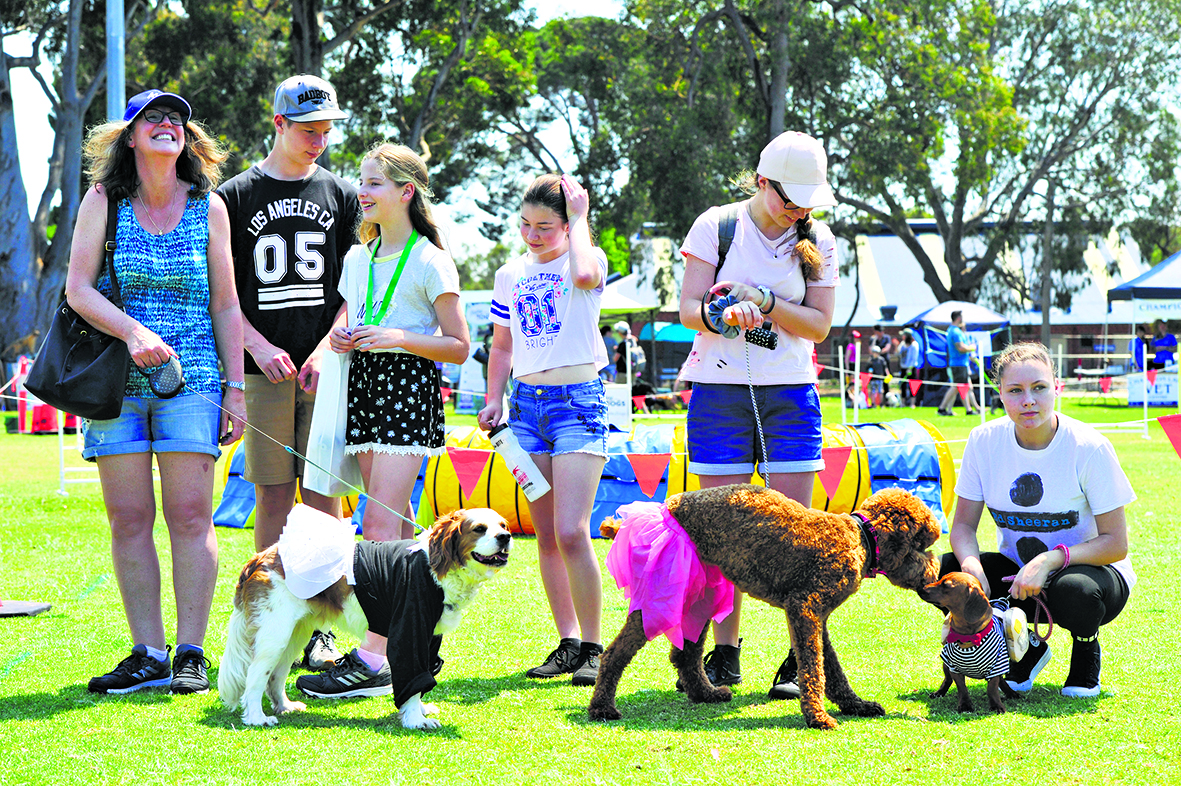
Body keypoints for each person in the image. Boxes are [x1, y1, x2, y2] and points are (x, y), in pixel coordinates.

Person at [67, 89, 246, 695]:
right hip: (113, 384)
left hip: (191, 383)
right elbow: (78, 290)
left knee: (192, 517)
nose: (168, 124)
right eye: (153, 117)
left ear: (186, 140)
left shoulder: (209, 207)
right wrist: (134, 332)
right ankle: (147, 652)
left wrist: (236, 390)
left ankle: (191, 653)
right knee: (129, 519)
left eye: (177, 118)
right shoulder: (103, 200)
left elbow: (225, 302)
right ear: (131, 136)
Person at [295, 143, 469, 700]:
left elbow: (460, 346)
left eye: (373, 183)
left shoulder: (430, 259)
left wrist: (397, 338)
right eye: (362, 182)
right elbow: (350, 314)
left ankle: (373, 659)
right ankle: (407, 642)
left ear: (405, 192)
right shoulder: (357, 257)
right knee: (395, 522)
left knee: (377, 529)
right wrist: (337, 338)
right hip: (362, 389)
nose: (361, 193)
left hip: (406, 394)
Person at [677, 130, 838, 700]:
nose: (798, 209)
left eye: (806, 199)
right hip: (720, 392)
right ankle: (723, 654)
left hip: (791, 393)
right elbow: (689, 309)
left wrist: (767, 303)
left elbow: (819, 326)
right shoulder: (716, 225)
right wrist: (726, 315)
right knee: (720, 533)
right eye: (787, 196)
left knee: (800, 534)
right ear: (761, 181)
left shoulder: (818, 237)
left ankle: (800, 662)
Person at [218, 75, 361, 669]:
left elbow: (357, 285)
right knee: (273, 497)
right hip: (262, 370)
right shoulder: (233, 195)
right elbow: (220, 292)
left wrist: (329, 347)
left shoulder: (344, 193)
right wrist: (255, 347)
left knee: (323, 499)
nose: (319, 141)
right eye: (308, 130)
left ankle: (321, 623)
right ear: (277, 124)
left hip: (326, 365)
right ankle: (272, 611)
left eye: (327, 130)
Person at [939, 342, 1134, 698]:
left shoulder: (1089, 447)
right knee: (950, 570)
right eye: (1016, 391)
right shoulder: (983, 441)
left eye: (1039, 388)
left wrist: (1049, 559)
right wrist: (972, 567)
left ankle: (1086, 651)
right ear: (1000, 394)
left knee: (1074, 590)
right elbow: (963, 526)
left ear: (1056, 387)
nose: (1028, 400)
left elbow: (1116, 543)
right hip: (1019, 576)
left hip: (1093, 574)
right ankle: (1024, 648)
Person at [477, 173, 610, 687]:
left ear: (568, 223)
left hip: (579, 402)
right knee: (548, 535)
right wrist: (494, 398)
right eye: (526, 225)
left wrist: (579, 219)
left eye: (546, 226)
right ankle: (569, 642)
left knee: (574, 530)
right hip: (525, 409)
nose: (533, 236)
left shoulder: (588, 259)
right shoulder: (510, 272)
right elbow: (503, 346)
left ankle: (597, 648)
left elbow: (580, 277)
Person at [938, 310, 982, 416]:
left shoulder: (954, 330)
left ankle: (970, 410)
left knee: (965, 387)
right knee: (957, 387)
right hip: (958, 364)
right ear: (958, 318)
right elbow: (961, 348)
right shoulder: (955, 332)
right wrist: (972, 348)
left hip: (961, 363)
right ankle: (942, 408)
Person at [898, 328, 921, 407]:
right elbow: (898, 352)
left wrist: (910, 368)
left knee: (913, 385)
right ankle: (903, 403)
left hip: (911, 368)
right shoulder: (902, 344)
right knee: (903, 385)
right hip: (903, 367)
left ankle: (912, 403)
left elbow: (914, 357)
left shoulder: (914, 345)